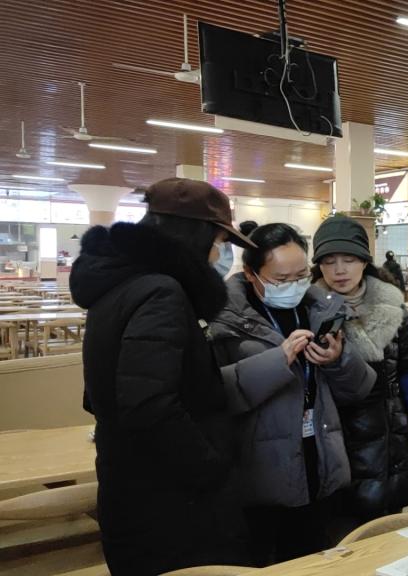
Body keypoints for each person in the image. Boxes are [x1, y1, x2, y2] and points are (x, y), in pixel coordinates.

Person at [69, 178, 255, 575]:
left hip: (130, 483)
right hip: (169, 500)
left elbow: (100, 392)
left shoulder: (119, 285)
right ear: (196, 234)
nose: (220, 253)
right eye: (219, 240)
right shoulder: (161, 292)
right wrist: (209, 466)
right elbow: (148, 403)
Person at [207, 223, 375, 566]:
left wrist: (338, 360)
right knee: (266, 561)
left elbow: (358, 388)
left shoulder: (323, 309)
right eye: (281, 279)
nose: (293, 286)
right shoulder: (223, 320)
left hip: (319, 460)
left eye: (301, 276)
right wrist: (278, 359)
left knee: (314, 559)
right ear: (252, 274)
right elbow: (215, 395)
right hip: (260, 474)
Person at [309, 215, 408, 538]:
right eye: (329, 261)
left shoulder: (391, 304)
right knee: (344, 535)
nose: (339, 270)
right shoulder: (309, 309)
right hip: (339, 436)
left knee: (389, 529)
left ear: (364, 261)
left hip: (392, 432)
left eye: (349, 259)